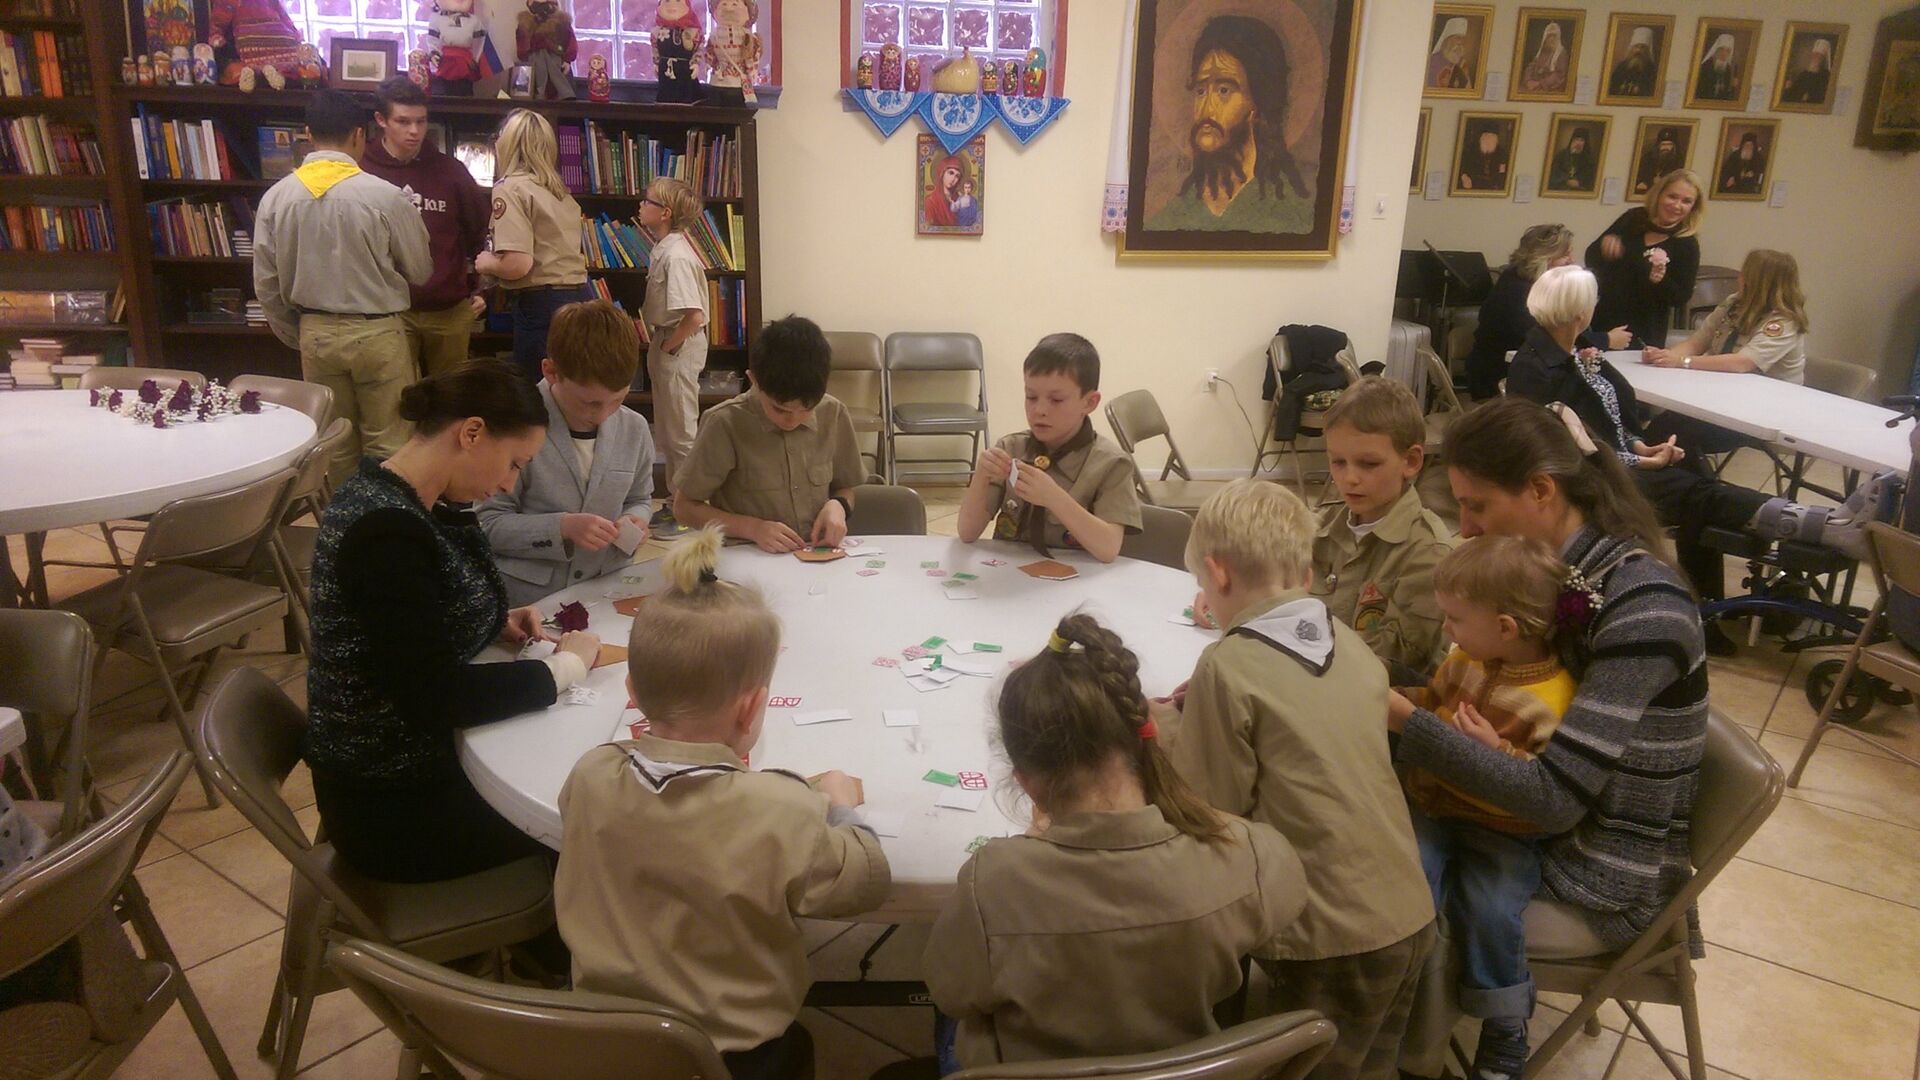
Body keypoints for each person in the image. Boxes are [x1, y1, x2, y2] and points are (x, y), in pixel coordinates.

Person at [1387, 397, 1706, 1078]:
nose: (1464, 528)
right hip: (1516, 822)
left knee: (1393, 889)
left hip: (1591, 871)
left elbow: (1552, 801)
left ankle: (1402, 1051)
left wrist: (1408, 722)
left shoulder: (1642, 605)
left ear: (1541, 490)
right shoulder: (1547, 577)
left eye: (1476, 506)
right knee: (1372, 833)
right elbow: (1484, 695)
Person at [556, 526, 888, 1080]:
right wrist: (840, 807)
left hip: (605, 1044)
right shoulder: (781, 806)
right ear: (752, 708)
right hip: (731, 1060)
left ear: (632, 693)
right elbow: (864, 883)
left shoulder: (591, 773)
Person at [924, 613, 1308, 1072]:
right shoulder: (1241, 855)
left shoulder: (991, 883)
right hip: (1183, 1068)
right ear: (1145, 741)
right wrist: (1178, 799)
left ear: (1024, 783)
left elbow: (952, 992)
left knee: (956, 1024)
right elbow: (1289, 889)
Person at [1163, 478, 1435, 1080]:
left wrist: (1166, 737)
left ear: (1218, 574)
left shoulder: (1226, 665)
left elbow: (1208, 809)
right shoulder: (1353, 645)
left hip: (1328, 936)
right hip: (1409, 911)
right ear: (1306, 574)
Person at [304, 359, 601, 883]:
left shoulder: (398, 496)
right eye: (514, 464)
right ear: (471, 433)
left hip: (417, 770)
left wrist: (488, 619)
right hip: (394, 806)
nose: (508, 484)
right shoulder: (385, 533)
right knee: (597, 824)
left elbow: (414, 619)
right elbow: (435, 695)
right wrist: (566, 669)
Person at [1505, 265, 1851, 649]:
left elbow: (1607, 421)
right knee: (1700, 495)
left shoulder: (1576, 350)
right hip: (1591, 480)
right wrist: (1638, 462)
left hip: (1616, 462)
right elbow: (1564, 451)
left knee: (1699, 492)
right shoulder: (1535, 368)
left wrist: (1640, 446)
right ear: (1580, 312)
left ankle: (1717, 601)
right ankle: (1814, 525)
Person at [1398, 536, 1578, 1080]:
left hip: (1504, 832)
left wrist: (1496, 750)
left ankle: (1504, 1025)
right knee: (1408, 881)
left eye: (1454, 618)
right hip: (1431, 808)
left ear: (1505, 627)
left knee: (1492, 909)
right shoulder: (1463, 660)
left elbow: (1546, 783)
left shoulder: (1553, 697)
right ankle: (1404, 998)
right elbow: (1430, 702)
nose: (1445, 628)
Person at [253, 89, 431, 486]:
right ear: (359, 134)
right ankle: (384, 520)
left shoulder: (276, 198)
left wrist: (298, 331)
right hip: (377, 332)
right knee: (389, 444)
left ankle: (343, 521)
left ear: (307, 134)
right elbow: (420, 270)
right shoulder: (385, 197)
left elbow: (266, 284)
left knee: (336, 446)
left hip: (314, 333)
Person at [477, 299, 656, 607]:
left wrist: (636, 519)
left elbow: (640, 498)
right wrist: (561, 528)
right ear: (551, 372)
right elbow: (487, 524)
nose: (604, 415)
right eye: (590, 403)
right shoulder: (512, 426)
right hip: (529, 600)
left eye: (618, 400)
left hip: (607, 590)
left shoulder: (635, 427)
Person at [673, 315, 865, 553]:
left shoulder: (833, 413)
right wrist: (752, 528)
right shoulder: (724, 422)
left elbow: (846, 488)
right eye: (779, 409)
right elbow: (684, 508)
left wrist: (839, 505)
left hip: (814, 553)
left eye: (807, 409)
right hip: (748, 553)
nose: (793, 420)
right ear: (754, 380)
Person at [957, 333, 1142, 564]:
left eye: (1056, 400)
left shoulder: (1111, 463)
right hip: (1009, 575)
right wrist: (981, 476)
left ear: (1089, 402)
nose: (1039, 410)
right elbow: (967, 532)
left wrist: (1054, 498)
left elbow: (1108, 549)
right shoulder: (1011, 448)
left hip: (1078, 577)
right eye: (1031, 397)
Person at [1310, 377, 1452, 676]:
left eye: (1369, 464)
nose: (1349, 478)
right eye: (1338, 462)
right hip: (1315, 676)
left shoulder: (1429, 550)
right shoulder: (1321, 527)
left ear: (1410, 461)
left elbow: (1400, 657)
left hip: (1384, 694)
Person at [358, 76, 490, 379]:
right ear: (381, 120)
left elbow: (482, 232)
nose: (414, 131)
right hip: (387, 311)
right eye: (403, 121)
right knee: (396, 394)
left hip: (448, 310)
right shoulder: (362, 168)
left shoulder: (451, 171)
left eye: (421, 121)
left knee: (450, 394)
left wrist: (482, 288)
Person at [1144, 15, 1312, 234]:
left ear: (1257, 102)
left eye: (1224, 90)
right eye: (1201, 91)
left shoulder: (1290, 213)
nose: (1207, 109)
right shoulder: (1173, 216)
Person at [477, 109, 591, 382]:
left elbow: (518, 264)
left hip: (541, 304)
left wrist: (487, 263)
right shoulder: (558, 190)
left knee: (538, 390)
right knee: (570, 385)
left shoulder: (510, 188)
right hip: (579, 296)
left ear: (507, 144)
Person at [1464, 224, 1630, 400]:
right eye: (1565, 255)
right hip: (1498, 380)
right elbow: (1550, 337)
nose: (1572, 260)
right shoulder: (1517, 291)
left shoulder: (1522, 281)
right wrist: (1606, 339)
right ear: (1543, 257)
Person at [637, 176, 710, 538]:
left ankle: (690, 507)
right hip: (666, 340)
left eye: (647, 201)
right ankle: (674, 500)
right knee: (668, 431)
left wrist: (669, 347)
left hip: (677, 343)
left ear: (664, 212)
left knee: (681, 433)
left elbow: (694, 316)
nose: (641, 205)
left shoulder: (677, 257)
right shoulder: (664, 249)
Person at [1586, 170, 1702, 349]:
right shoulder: (1633, 218)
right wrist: (1603, 247)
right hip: (1604, 319)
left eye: (1686, 201)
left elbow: (1681, 298)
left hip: (1645, 330)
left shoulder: (1687, 244)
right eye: (1672, 197)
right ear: (1659, 194)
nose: (1677, 205)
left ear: (1693, 207)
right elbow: (1591, 259)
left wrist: (1660, 280)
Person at [1607, 25, 1659, 98]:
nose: (1638, 50)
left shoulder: (1652, 69)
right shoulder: (1621, 66)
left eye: (1642, 47)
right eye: (1636, 46)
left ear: (1647, 51)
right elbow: (1612, 88)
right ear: (1632, 48)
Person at [1631, 127, 1686, 195]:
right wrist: (1647, 183)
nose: (1666, 148)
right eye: (1663, 144)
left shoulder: (1679, 160)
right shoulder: (1647, 158)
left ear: (1673, 146)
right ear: (1658, 146)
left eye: (1669, 145)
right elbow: (1640, 176)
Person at [1518, 20, 1568, 95]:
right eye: (1549, 36)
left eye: (1554, 36)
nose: (1552, 39)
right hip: (1534, 87)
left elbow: (1559, 75)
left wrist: (1540, 83)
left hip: (1550, 90)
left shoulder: (1562, 53)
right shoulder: (1542, 51)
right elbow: (1530, 67)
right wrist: (1528, 80)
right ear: (1545, 38)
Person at [1782, 37, 1833, 105]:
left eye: (1819, 56)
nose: (1815, 58)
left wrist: (1809, 98)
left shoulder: (1826, 76)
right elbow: (1791, 97)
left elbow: (1822, 97)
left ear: (1823, 59)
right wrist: (1788, 88)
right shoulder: (1804, 74)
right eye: (1814, 55)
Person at [1456, 126, 1508, 191]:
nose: (1488, 140)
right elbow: (1461, 166)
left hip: (1492, 187)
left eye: (1491, 137)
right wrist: (1464, 177)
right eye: (1486, 136)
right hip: (1472, 184)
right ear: (1481, 137)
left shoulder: (1501, 153)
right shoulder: (1470, 149)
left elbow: (1502, 173)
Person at [1427, 17, 1474, 90]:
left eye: (1463, 39)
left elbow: (1468, 90)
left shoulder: (1462, 64)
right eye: (1457, 38)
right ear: (1446, 41)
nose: (1460, 43)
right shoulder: (1432, 61)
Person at [1547, 126, 1596, 193]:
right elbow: (1554, 172)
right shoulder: (1561, 155)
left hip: (1580, 191)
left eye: (1582, 140)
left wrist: (1579, 182)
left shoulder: (1589, 159)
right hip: (1561, 188)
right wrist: (1566, 180)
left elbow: (1590, 178)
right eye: (1576, 139)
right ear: (1572, 140)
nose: (1578, 143)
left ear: (1585, 143)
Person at [1694, 32, 1740, 101]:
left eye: (1727, 51)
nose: (1724, 53)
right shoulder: (1705, 66)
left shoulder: (1728, 68)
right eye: (1721, 49)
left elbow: (1725, 96)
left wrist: (1733, 86)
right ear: (1716, 50)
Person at [922, 155, 962, 228]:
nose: (953, 179)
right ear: (942, 173)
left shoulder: (960, 199)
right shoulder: (931, 201)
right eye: (951, 173)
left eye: (957, 176)